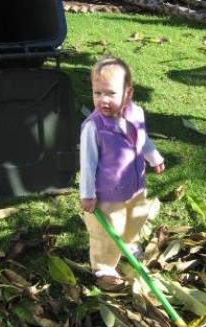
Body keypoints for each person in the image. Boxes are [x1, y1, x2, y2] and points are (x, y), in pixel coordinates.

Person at [80, 56, 165, 291]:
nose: (102, 100)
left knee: (135, 219)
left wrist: (154, 156)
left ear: (128, 93)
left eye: (110, 93)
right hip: (107, 195)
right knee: (106, 235)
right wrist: (87, 194)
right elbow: (87, 164)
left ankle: (130, 242)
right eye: (97, 93)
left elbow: (142, 139)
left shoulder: (136, 113)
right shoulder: (94, 127)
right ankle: (104, 267)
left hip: (135, 186)